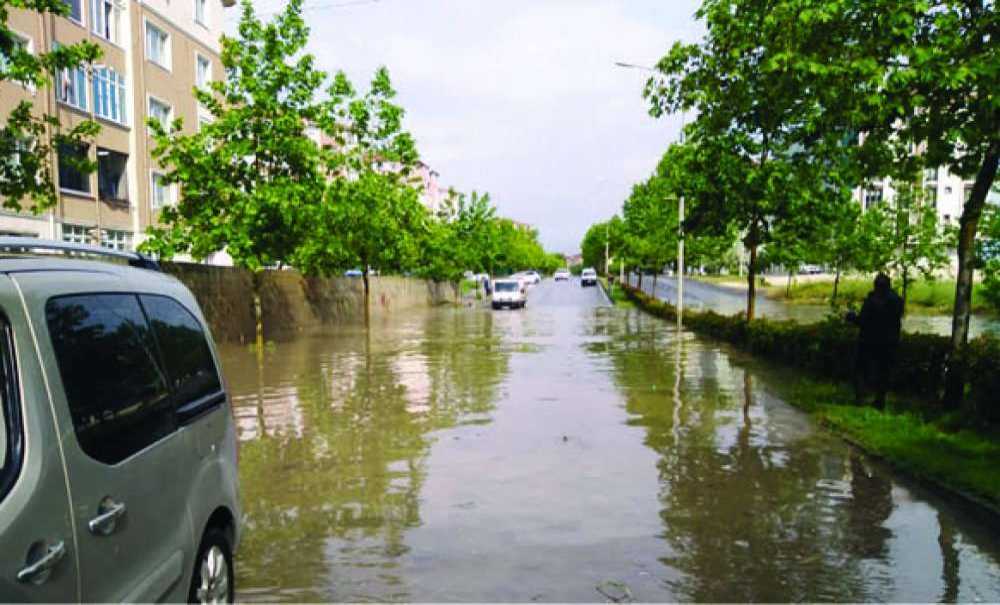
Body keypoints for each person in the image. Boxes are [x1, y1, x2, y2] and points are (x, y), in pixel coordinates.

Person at [846, 273, 904, 409]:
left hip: (869, 341)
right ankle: (880, 400)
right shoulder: (897, 300)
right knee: (884, 372)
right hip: (890, 342)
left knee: (859, 369)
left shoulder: (872, 300)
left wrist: (851, 317)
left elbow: (863, 321)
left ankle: (860, 397)